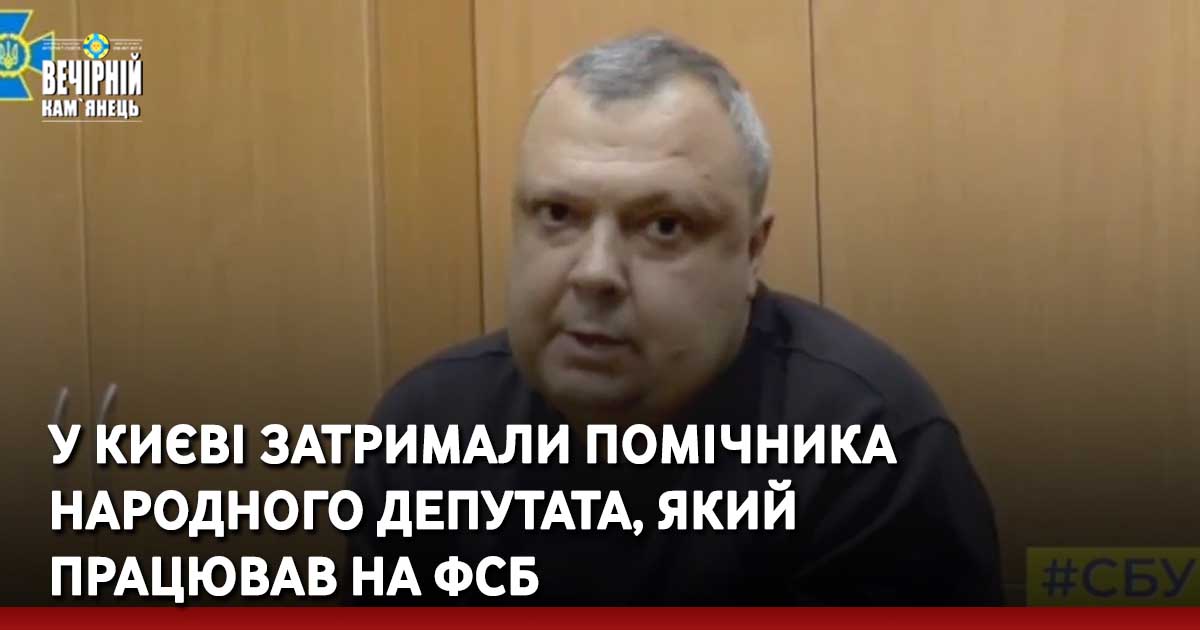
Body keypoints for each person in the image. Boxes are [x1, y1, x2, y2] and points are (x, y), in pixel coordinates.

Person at [346, 31, 1003, 605]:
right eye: (558, 214)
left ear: (752, 252)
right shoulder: (426, 430)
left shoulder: (867, 447)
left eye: (664, 226)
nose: (594, 272)